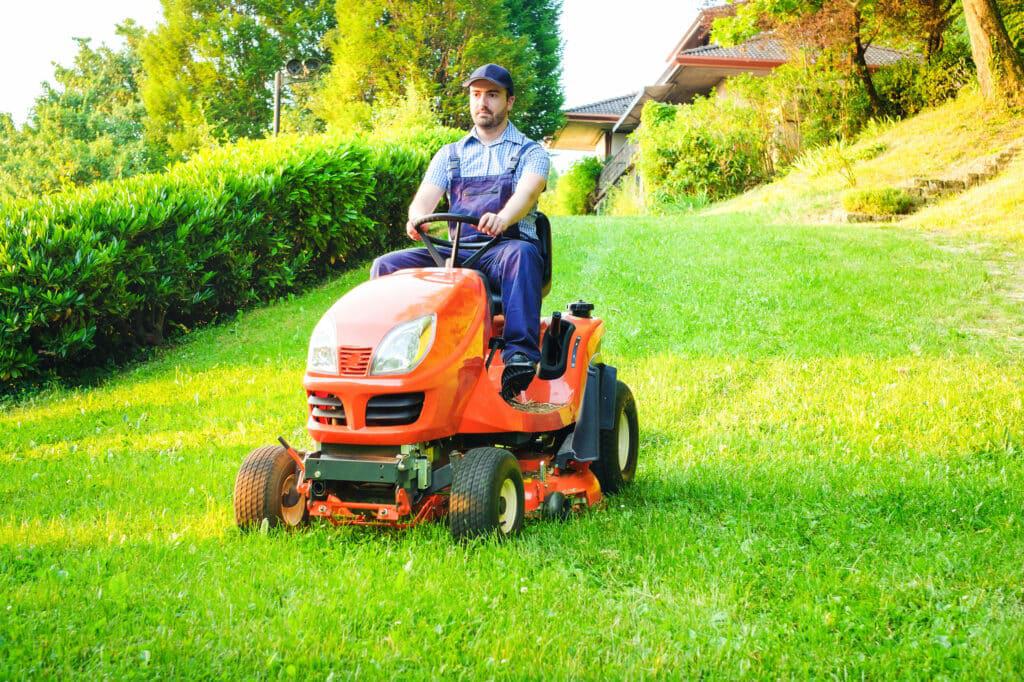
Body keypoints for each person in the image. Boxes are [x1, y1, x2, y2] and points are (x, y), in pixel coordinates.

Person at [371, 63, 550, 402]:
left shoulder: (530, 152)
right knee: (386, 267)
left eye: (492, 95)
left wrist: (503, 217)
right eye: (476, 95)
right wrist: (416, 218)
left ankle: (519, 356)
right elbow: (423, 200)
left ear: (509, 102)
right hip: (456, 253)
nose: (483, 103)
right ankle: (387, 360)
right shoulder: (449, 155)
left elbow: (527, 194)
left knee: (523, 254)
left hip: (503, 249)